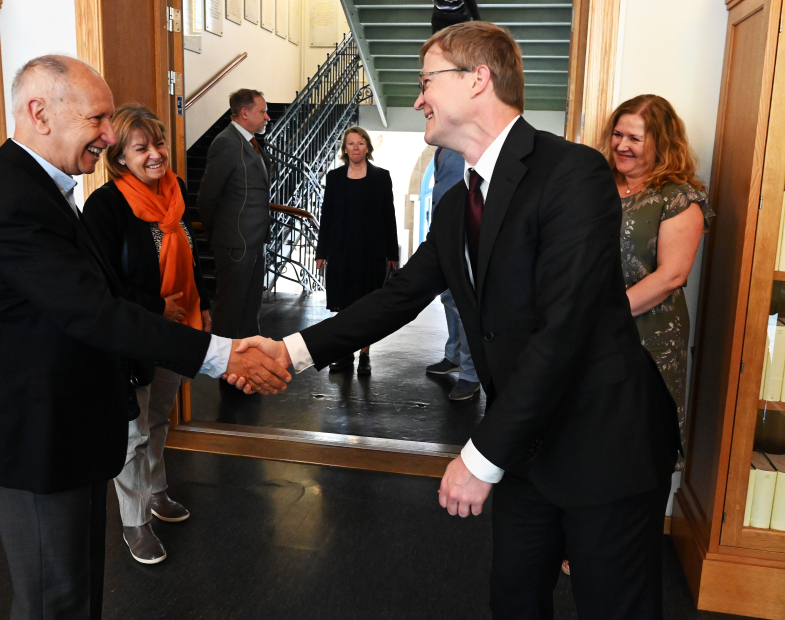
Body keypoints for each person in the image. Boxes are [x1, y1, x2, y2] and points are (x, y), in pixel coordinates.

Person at [231, 21, 681, 620]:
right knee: (514, 600)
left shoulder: (572, 173)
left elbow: (565, 330)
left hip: (604, 442)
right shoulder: (454, 205)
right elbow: (396, 299)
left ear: (478, 80)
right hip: (527, 446)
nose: (418, 98)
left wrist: (479, 457)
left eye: (426, 82)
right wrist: (292, 351)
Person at [0, 56, 290, 620]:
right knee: (52, 602)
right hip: (35, 437)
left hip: (69, 430)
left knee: (79, 592)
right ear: (39, 113)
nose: (109, 136)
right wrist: (222, 353)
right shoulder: (13, 200)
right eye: (98, 120)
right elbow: (96, 312)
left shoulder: (42, 187)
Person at [82, 103, 213, 565]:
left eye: (158, 143)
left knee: (160, 418)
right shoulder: (105, 207)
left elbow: (194, 260)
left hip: (179, 331)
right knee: (134, 432)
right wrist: (159, 306)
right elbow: (102, 282)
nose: (155, 154)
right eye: (142, 148)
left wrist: (203, 308)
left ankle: (157, 492)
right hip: (137, 335)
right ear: (119, 156)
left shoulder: (174, 193)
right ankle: (134, 522)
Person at [602, 94, 712, 452]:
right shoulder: (597, 185)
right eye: (618, 134)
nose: (622, 145)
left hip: (648, 336)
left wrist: (605, 316)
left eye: (635, 138)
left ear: (661, 143)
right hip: (587, 327)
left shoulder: (678, 197)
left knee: (638, 438)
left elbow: (671, 277)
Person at [314, 126, 398, 376]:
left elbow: (389, 217)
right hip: (341, 252)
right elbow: (326, 216)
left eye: (360, 143)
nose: (356, 148)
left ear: (368, 147)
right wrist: (322, 251)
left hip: (371, 253)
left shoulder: (381, 177)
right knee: (345, 307)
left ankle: (364, 356)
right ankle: (346, 354)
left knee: (367, 307)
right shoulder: (335, 178)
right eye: (351, 144)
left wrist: (392, 254)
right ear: (345, 149)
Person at [197, 88, 272, 340]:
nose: (267, 117)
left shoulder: (249, 141)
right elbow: (207, 197)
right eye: (262, 111)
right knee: (229, 312)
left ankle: (248, 365)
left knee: (250, 310)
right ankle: (227, 371)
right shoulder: (226, 142)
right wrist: (221, 235)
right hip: (235, 243)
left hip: (253, 241)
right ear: (244, 112)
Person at [425, 147, 480, 401]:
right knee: (448, 300)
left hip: (463, 235)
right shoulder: (442, 148)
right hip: (443, 234)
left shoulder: (466, 147)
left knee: (463, 305)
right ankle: (454, 356)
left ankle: (470, 374)